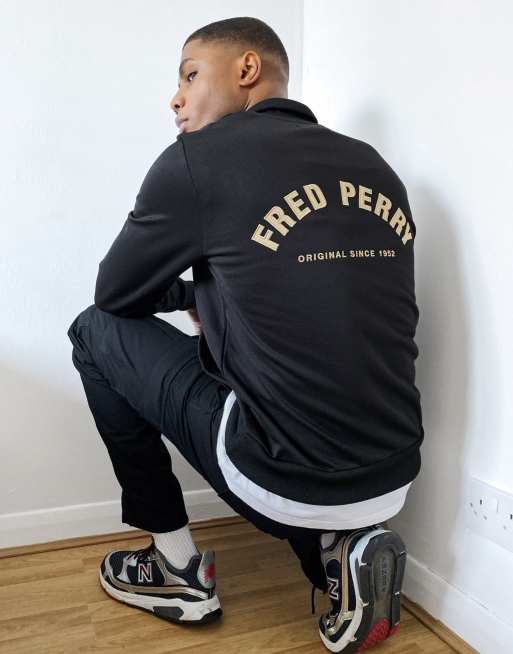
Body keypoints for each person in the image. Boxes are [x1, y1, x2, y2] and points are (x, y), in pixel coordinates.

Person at [67, 16, 423, 652]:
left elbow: (115, 296)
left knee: (94, 332)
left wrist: (188, 294)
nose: (175, 98)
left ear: (247, 69)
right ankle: (339, 553)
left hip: (283, 478)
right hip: (394, 470)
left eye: (189, 75)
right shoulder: (374, 166)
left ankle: (175, 566)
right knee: (272, 383)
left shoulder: (198, 161)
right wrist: (205, 297)